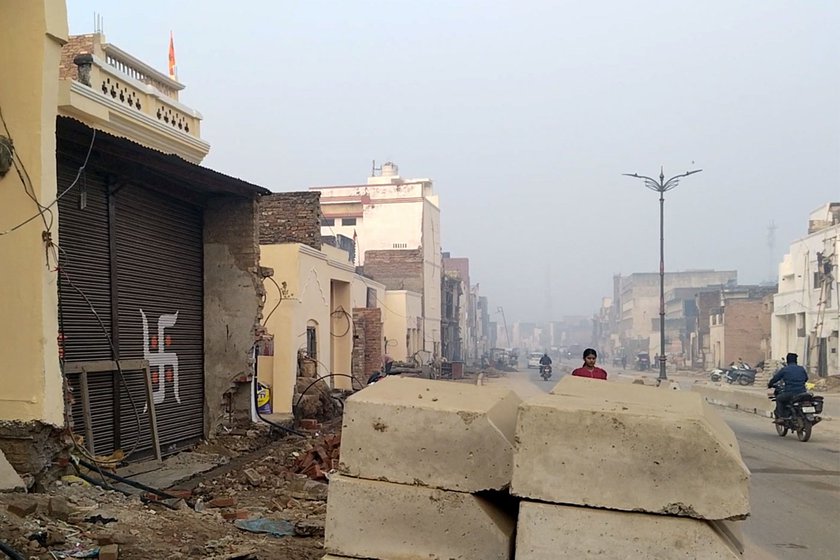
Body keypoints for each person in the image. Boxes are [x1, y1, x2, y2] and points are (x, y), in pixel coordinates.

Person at [767, 352, 808, 423]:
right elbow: (806, 378)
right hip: (802, 392)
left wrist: (770, 384)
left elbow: (775, 379)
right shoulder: (801, 369)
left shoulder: (785, 369)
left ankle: (781, 417)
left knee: (779, 398)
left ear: (787, 361)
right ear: (796, 360)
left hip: (790, 393)